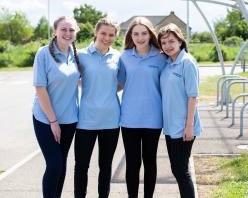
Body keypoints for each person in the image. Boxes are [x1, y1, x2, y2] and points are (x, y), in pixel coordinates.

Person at [32, 16, 81, 198]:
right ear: (55, 31)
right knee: (54, 164)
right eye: (63, 29)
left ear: (76, 33)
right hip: (45, 118)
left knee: (62, 163)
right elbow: (40, 88)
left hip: (69, 119)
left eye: (71, 30)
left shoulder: (77, 55)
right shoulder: (43, 53)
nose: (67, 33)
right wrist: (53, 121)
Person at [118, 17, 167, 198]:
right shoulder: (123, 57)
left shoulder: (161, 57)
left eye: (144, 33)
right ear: (131, 35)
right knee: (132, 162)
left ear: (150, 34)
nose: (140, 37)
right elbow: (118, 84)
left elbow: (167, 86)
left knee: (149, 161)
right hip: (129, 117)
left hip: (153, 118)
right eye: (136, 33)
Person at [74, 18, 121, 198]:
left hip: (111, 119)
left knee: (106, 165)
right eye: (103, 33)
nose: (106, 38)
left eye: (111, 35)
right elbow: (73, 79)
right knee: (81, 165)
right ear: (96, 33)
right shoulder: (81, 55)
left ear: (115, 36)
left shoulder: (118, 56)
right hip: (86, 119)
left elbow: (121, 82)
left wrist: (106, 90)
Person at [158, 23, 201, 198]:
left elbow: (193, 96)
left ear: (180, 41)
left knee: (181, 171)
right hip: (170, 126)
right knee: (177, 169)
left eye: (171, 41)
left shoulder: (187, 62)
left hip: (184, 127)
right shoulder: (168, 63)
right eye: (163, 42)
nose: (168, 46)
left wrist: (189, 126)